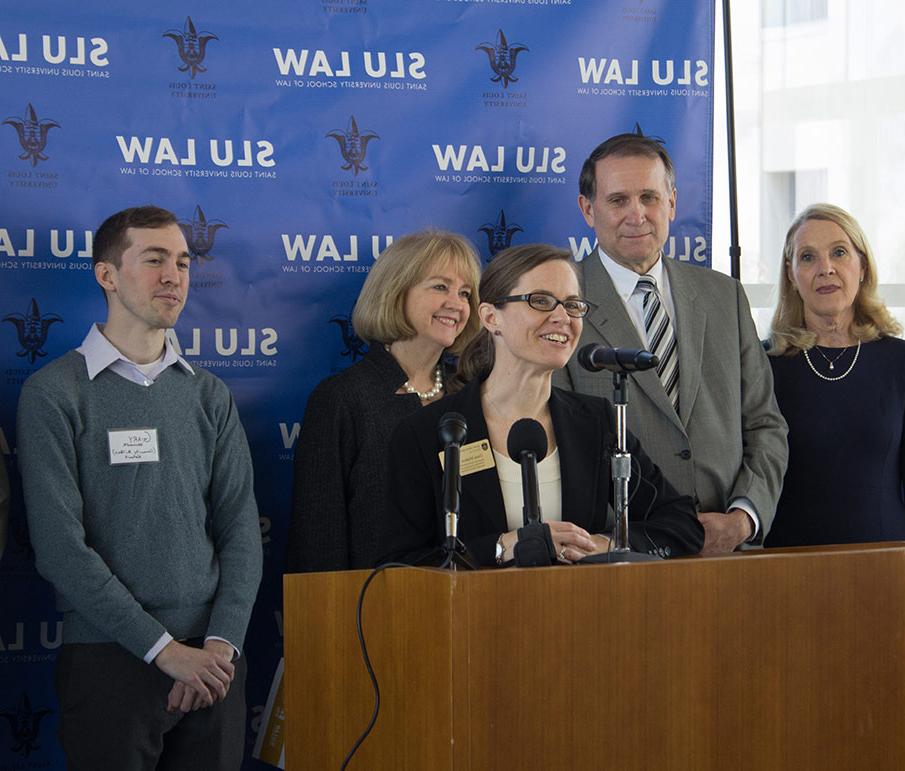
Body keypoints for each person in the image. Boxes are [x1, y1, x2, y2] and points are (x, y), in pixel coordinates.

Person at [16, 205, 262, 769]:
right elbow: (59, 548)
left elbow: (241, 533)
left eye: (181, 261)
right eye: (154, 260)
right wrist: (163, 651)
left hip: (214, 663)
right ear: (107, 275)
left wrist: (218, 648)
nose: (173, 276)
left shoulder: (209, 396)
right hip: (112, 658)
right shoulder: (54, 393)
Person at [380, 244, 704, 566]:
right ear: (491, 317)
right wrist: (501, 547)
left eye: (573, 305)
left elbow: (680, 524)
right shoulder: (428, 432)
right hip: (472, 615)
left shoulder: (596, 423)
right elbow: (402, 562)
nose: (562, 317)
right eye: (541, 301)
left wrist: (606, 543)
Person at [557, 133, 787, 555]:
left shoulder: (725, 296)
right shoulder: (560, 305)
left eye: (649, 197)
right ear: (588, 209)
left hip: (728, 553)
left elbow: (765, 424)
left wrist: (742, 519)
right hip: (617, 557)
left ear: (673, 204)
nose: (637, 214)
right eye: (618, 200)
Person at [286, 231, 481, 572]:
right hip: (373, 610)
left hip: (466, 607)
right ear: (395, 291)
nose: (457, 303)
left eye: (465, 293)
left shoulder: (470, 397)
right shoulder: (341, 398)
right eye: (440, 287)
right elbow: (318, 543)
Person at [765, 203, 905, 547]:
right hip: (784, 569)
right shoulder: (761, 364)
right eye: (807, 257)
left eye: (839, 253)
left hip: (886, 566)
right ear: (791, 274)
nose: (826, 269)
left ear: (862, 266)